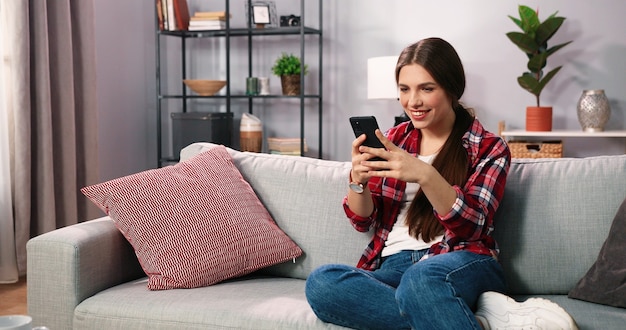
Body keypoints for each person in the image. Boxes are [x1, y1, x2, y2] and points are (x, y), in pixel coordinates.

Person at [305, 37, 578, 329]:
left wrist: (424, 173)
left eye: (427, 88)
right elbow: (362, 220)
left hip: (461, 259)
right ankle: (464, 318)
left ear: (451, 89)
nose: (413, 102)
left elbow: (473, 227)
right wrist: (357, 181)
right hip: (394, 266)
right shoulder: (393, 139)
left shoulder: (487, 147)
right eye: (404, 89)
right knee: (322, 282)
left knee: (421, 280)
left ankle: (433, 307)